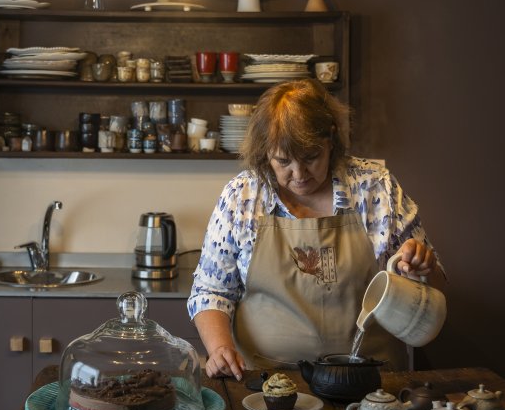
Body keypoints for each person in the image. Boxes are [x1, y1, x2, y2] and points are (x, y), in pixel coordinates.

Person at [187, 78, 445, 380]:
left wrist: (420, 268)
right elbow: (211, 291)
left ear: (331, 140)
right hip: (267, 384)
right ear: (264, 152)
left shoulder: (375, 188)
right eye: (283, 161)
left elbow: (433, 287)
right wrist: (219, 348)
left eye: (311, 157)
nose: (298, 174)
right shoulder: (243, 197)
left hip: (370, 381)